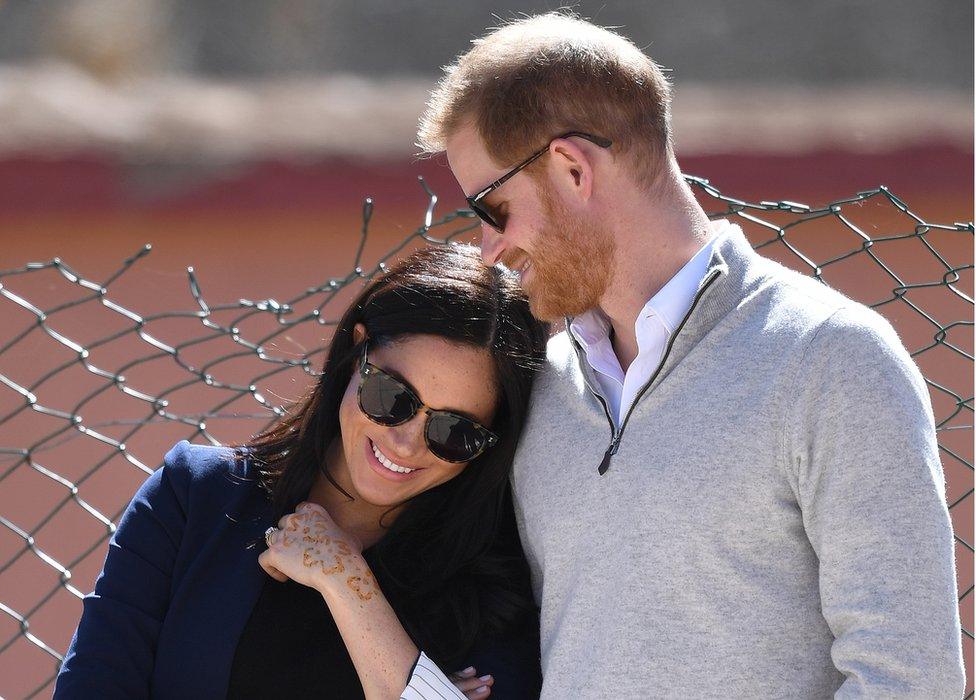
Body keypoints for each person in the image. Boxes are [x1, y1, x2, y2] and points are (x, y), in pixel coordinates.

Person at [416, 11, 967, 698]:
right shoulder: (544, 385)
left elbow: (908, 681)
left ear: (570, 167)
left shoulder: (831, 360)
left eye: (492, 208)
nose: (487, 248)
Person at [53, 244, 549, 699]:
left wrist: (346, 580)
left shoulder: (494, 590)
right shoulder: (194, 497)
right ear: (356, 352)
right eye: (391, 397)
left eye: (454, 430)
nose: (406, 442)